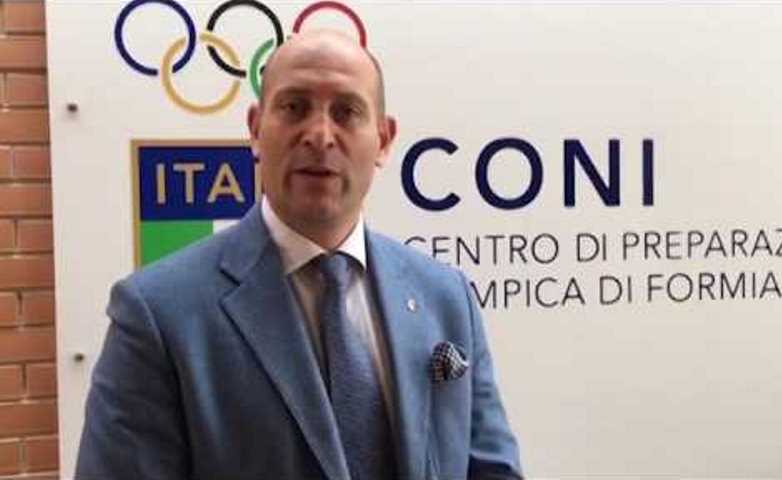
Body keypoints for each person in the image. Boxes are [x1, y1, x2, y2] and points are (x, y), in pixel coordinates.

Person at [76, 29, 523, 480]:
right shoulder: (158, 315)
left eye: (346, 111)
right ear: (255, 129)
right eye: (294, 107)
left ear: (384, 139)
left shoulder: (445, 297)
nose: (319, 135)